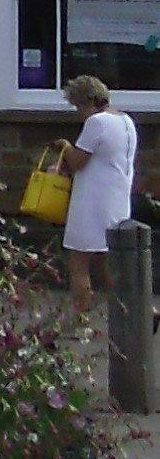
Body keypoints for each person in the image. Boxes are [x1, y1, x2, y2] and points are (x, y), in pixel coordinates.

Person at [62, 74, 142, 321]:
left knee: (78, 262)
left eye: (78, 107)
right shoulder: (126, 121)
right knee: (106, 264)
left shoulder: (97, 123)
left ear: (88, 102)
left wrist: (65, 147)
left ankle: (80, 319)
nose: (78, 113)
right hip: (117, 201)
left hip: (92, 202)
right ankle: (141, 313)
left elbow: (78, 162)